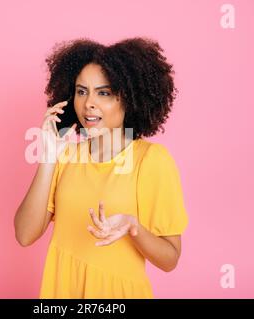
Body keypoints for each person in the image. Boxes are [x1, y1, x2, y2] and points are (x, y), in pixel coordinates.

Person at [14, 37, 189, 299]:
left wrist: (134, 227)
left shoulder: (151, 160)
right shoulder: (66, 156)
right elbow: (25, 235)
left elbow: (170, 259)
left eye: (103, 93)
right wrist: (48, 157)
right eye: (81, 91)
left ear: (128, 98)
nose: (88, 103)